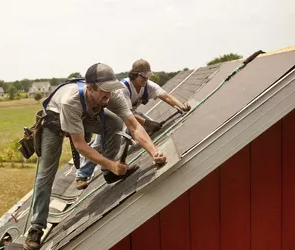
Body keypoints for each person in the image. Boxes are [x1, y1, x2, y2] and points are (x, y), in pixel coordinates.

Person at [24, 63, 167, 250]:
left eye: (111, 90)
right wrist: (114, 163)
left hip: (85, 114)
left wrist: (154, 152)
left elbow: (134, 126)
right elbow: (80, 145)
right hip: (55, 121)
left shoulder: (111, 95)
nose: (109, 96)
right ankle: (36, 227)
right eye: (104, 91)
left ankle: (108, 172)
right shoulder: (71, 101)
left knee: (115, 123)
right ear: (90, 88)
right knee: (46, 174)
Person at [75, 59, 190, 190]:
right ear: (134, 75)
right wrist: (147, 122)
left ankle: (139, 147)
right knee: (100, 144)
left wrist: (181, 106)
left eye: (148, 76)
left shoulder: (148, 86)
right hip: (112, 117)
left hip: (130, 116)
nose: (146, 79)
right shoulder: (123, 88)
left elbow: (166, 96)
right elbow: (128, 116)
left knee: (147, 129)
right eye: (143, 76)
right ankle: (82, 175)